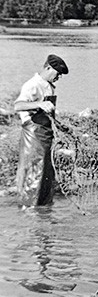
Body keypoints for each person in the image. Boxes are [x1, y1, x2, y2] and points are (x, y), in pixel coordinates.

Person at [14, 54, 69, 207]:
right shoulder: (33, 85)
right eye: (57, 74)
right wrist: (39, 104)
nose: (59, 77)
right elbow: (18, 105)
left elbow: (47, 114)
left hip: (45, 135)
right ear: (47, 68)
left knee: (45, 174)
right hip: (33, 136)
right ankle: (29, 211)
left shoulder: (48, 85)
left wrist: (58, 126)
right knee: (33, 175)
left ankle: (43, 211)